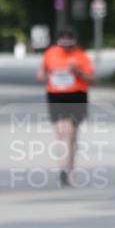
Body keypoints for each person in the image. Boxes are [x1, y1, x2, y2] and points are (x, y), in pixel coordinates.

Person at [36, 27, 95, 187]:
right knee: (64, 134)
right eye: (64, 42)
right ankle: (64, 169)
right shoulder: (51, 53)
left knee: (73, 136)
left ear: (74, 42)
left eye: (70, 42)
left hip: (77, 96)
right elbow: (40, 75)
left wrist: (78, 71)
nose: (66, 46)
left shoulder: (81, 56)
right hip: (56, 96)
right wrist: (46, 75)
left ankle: (69, 168)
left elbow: (93, 79)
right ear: (59, 41)